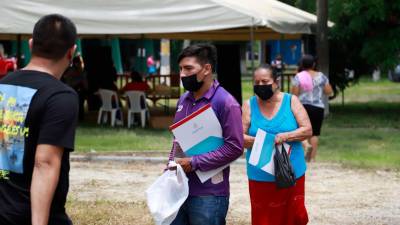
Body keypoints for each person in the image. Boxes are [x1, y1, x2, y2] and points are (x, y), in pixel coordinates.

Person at [0, 14, 79, 225]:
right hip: (33, 216)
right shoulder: (61, 97)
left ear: (31, 44)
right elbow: (45, 163)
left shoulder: (3, 85)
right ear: (72, 52)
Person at [168, 44, 244, 225]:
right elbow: (178, 139)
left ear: (207, 69)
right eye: (180, 69)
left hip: (209, 195)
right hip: (178, 189)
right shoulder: (183, 99)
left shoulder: (226, 102)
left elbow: (235, 147)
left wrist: (194, 162)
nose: (182, 74)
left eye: (188, 68)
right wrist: (169, 168)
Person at [242, 64, 312, 225]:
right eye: (256, 82)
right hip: (260, 175)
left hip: (291, 173)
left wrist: (285, 136)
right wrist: (264, 141)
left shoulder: (291, 101)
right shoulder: (249, 105)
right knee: (264, 219)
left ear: (276, 82)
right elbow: (239, 137)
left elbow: (307, 130)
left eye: (264, 81)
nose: (260, 86)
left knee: (294, 215)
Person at [291, 55, 333, 162]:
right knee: (314, 133)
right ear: (314, 64)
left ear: (301, 64)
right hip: (318, 107)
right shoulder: (321, 76)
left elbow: (294, 94)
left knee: (302, 131)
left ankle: (304, 154)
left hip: (303, 107)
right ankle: (312, 159)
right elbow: (329, 92)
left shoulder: (298, 77)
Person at [62, 55, 88, 120]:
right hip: (71, 91)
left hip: (78, 91)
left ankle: (80, 117)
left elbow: (85, 85)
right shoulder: (71, 71)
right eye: (80, 62)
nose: (81, 64)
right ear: (76, 63)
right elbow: (69, 83)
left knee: (80, 103)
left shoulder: (81, 72)